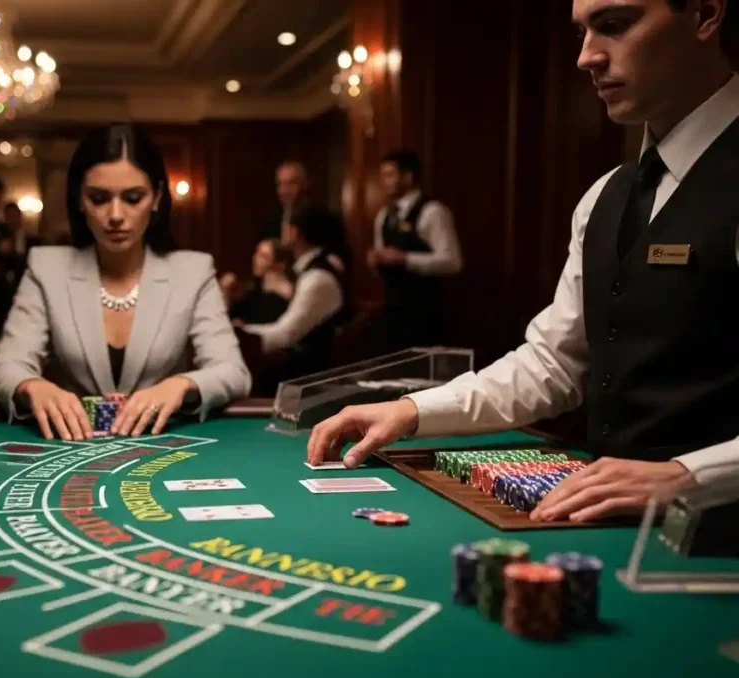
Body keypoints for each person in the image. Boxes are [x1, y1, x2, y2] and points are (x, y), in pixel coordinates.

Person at [308, 0, 739, 525]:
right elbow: (554, 363)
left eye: (615, 25)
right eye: (581, 33)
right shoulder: (605, 195)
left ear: (704, 15)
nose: (586, 57)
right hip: (611, 529)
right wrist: (411, 409)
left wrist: (690, 476)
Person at [0, 124, 251, 440]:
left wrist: (181, 385)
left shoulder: (193, 271)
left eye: (133, 198)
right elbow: (4, 369)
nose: (115, 214)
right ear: (80, 200)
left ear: (157, 197)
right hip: (71, 445)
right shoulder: (46, 268)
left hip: (163, 445)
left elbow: (233, 372)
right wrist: (33, 386)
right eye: (99, 198)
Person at [370, 149, 463, 349]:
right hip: (392, 311)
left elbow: (453, 262)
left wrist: (405, 259)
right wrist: (376, 261)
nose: (384, 182)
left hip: (424, 313)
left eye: (390, 175)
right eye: (382, 176)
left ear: (408, 177)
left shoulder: (432, 212)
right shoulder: (383, 216)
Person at [242, 206, 345, 378]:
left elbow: (285, 335)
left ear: (293, 232)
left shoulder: (318, 277)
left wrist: (241, 334)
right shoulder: (307, 271)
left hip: (308, 375)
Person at [260, 160, 350, 267]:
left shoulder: (327, 221)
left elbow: (339, 261)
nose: (284, 190)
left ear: (305, 184)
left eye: (291, 183)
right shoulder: (270, 222)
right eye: (280, 184)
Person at [220, 239, 294, 325]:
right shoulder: (252, 289)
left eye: (264, 257)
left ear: (280, 264)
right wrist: (226, 291)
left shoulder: (283, 295)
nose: (256, 259)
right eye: (257, 253)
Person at [2, 200, 41, 278]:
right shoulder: (1, 238)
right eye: (10, 217)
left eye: (15, 216)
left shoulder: (31, 239)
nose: (13, 220)